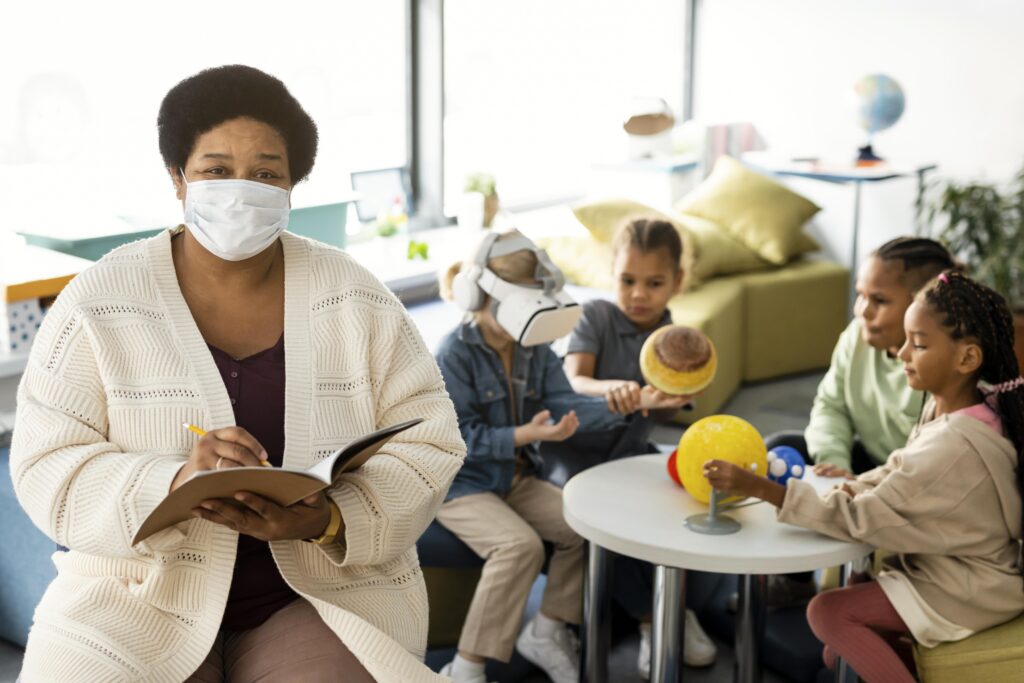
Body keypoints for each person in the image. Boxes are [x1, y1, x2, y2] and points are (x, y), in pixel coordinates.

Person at [9, 65, 465, 683]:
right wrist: (174, 481)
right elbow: (45, 464)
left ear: (291, 186)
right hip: (133, 593)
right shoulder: (99, 299)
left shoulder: (356, 297)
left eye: (266, 173)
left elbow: (429, 441)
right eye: (217, 170)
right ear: (178, 178)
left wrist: (325, 520)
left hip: (313, 595)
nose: (241, 189)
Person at [704, 270, 1024, 683]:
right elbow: (899, 468)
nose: (902, 353)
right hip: (960, 569)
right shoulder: (962, 407)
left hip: (968, 590)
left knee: (827, 613)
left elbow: (862, 519)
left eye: (919, 344)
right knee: (838, 652)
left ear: (967, 359)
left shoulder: (953, 445)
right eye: (906, 340)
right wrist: (855, 484)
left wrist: (762, 489)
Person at [434, 229, 645, 683]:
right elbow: (458, 437)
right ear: (482, 292)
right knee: (520, 546)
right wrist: (522, 434)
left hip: (515, 477)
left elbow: (563, 402)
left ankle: (547, 631)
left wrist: (627, 403)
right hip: (463, 484)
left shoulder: (532, 347)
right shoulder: (454, 352)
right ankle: (465, 669)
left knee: (582, 525)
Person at [758, 236, 959, 609]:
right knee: (779, 450)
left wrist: (862, 486)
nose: (862, 310)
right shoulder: (857, 335)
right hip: (864, 459)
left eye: (879, 301)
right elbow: (830, 405)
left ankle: (864, 594)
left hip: (910, 481)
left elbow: (931, 460)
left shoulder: (940, 364)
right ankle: (796, 581)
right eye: (860, 294)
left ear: (923, 307)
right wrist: (838, 465)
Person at [561, 217, 717, 674]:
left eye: (654, 283)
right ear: (612, 274)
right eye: (628, 280)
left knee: (683, 495)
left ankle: (681, 605)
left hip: (627, 450)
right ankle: (654, 622)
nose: (638, 294)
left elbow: (662, 414)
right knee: (611, 518)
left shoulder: (670, 335)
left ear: (677, 283)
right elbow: (575, 379)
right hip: (575, 451)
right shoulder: (596, 316)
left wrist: (671, 400)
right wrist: (617, 391)